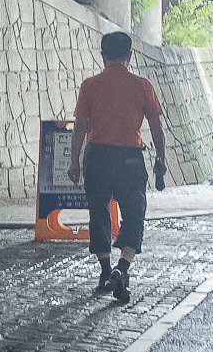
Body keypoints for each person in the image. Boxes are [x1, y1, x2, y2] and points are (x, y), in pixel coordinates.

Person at [66, 30, 167, 305]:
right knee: (134, 214)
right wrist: (161, 158)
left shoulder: (90, 86)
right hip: (130, 159)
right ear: (129, 56)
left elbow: (81, 126)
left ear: (103, 56)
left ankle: (105, 271)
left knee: (98, 213)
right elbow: (156, 126)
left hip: (97, 156)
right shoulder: (142, 85)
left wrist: (74, 161)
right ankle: (122, 268)